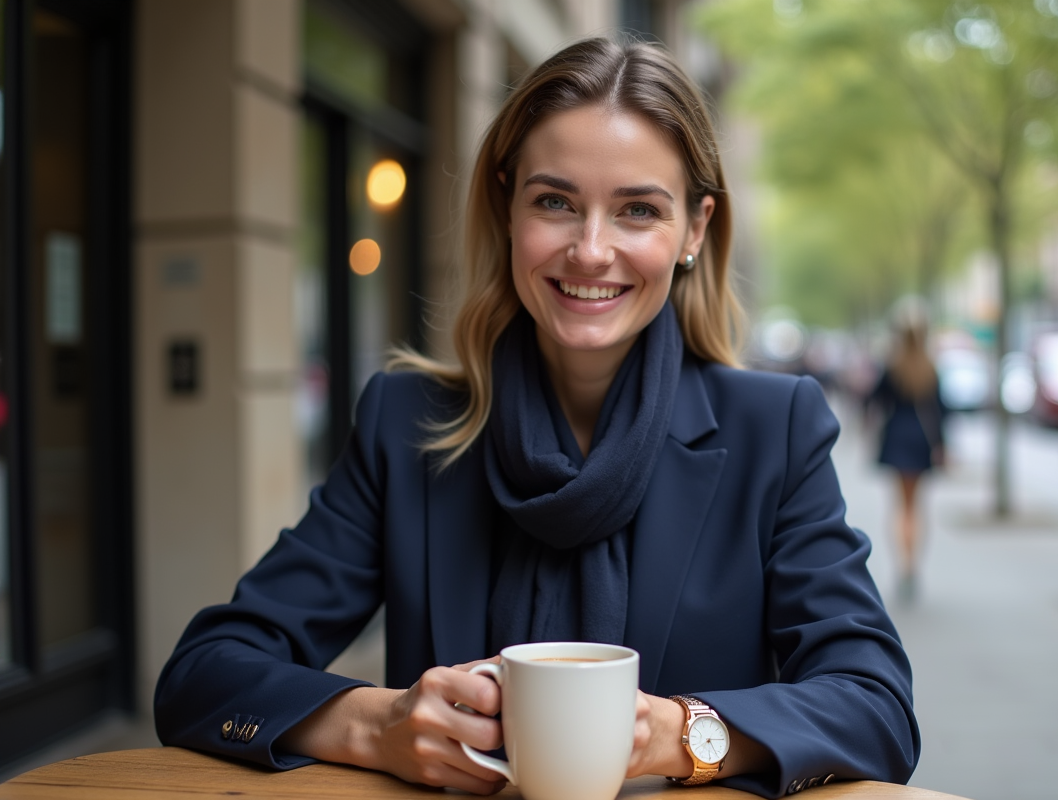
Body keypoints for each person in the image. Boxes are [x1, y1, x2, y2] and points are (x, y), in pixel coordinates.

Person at [154, 37, 919, 798]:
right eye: (554, 201)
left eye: (638, 210)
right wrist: (376, 726)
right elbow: (202, 674)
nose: (590, 250)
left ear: (693, 229)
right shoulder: (407, 423)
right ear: (507, 206)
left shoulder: (773, 430)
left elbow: (876, 707)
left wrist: (681, 734)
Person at [866, 312, 944, 602]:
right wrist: (942, 445)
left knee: (899, 506)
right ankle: (913, 566)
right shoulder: (931, 368)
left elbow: (874, 400)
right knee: (917, 507)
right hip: (921, 440)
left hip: (896, 437)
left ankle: (902, 565)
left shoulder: (892, 366)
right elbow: (941, 411)